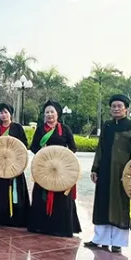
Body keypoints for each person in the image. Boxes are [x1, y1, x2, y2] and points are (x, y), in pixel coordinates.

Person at [89, 94, 131, 252]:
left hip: (123, 174)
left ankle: (118, 243)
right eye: (113, 106)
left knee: (120, 206)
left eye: (119, 106)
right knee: (102, 203)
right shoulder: (106, 126)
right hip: (105, 171)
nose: (116, 109)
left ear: (126, 109)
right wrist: (95, 168)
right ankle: (101, 239)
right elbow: (100, 149)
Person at [27, 100, 81, 238]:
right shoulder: (40, 129)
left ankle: (60, 228)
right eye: (47, 112)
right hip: (44, 169)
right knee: (41, 195)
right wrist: (42, 152)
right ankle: (41, 226)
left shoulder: (65, 129)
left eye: (52, 112)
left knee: (61, 197)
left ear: (57, 114)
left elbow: (73, 147)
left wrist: (63, 155)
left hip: (61, 170)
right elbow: (33, 147)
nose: (49, 114)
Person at [0, 103, 30, 228]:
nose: (3, 115)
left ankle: (17, 219)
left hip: (15, 165)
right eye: (1, 113)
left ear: (10, 113)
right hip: (1, 166)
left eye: (6, 112)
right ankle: (0, 218)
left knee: (16, 190)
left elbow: (24, 145)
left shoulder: (17, 128)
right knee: (0, 191)